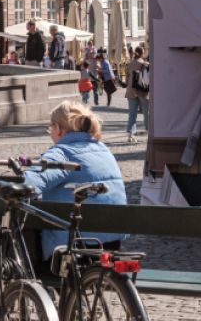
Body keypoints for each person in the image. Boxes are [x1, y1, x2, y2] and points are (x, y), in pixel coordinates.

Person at [22, 100, 129, 261]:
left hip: (74, 247)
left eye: (50, 127)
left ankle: (28, 281)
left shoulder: (62, 153)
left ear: (58, 129)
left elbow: (28, 184)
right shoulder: (103, 149)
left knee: (24, 224)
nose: (50, 132)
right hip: (112, 243)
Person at [124, 44, 151, 141]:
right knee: (146, 112)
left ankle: (130, 135)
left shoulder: (129, 64)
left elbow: (126, 81)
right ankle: (150, 131)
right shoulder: (145, 64)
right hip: (142, 90)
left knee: (132, 114)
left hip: (131, 91)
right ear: (142, 53)